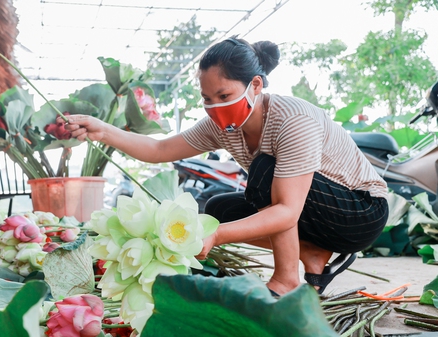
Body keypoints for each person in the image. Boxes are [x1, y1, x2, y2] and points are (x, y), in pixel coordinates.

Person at [62, 37, 389, 297]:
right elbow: (160, 149)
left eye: (224, 95)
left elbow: (287, 212)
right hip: (314, 211)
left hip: (360, 212)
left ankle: (287, 279)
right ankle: (312, 254)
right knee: (220, 207)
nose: (215, 107)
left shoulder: (292, 120)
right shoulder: (221, 125)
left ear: (256, 86)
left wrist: (215, 236)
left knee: (263, 174)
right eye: (206, 98)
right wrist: (101, 129)